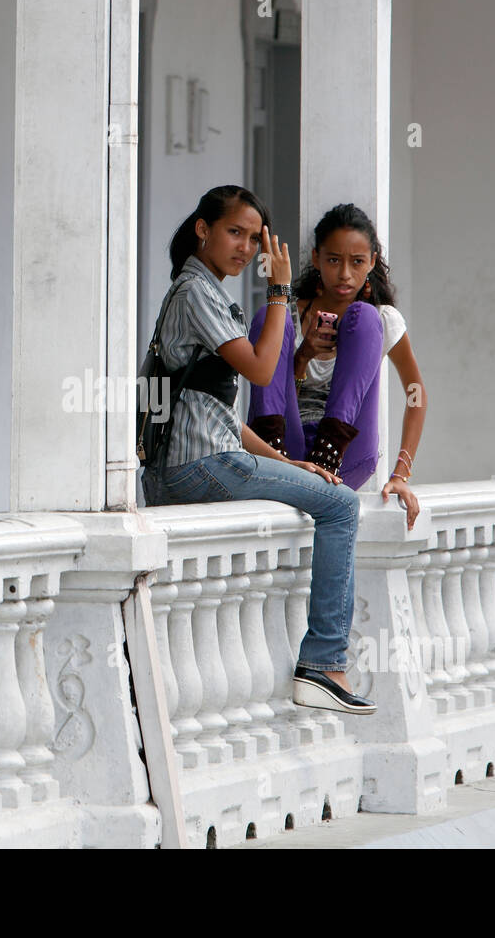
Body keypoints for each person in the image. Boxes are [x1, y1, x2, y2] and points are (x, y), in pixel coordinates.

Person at [140, 185, 375, 715]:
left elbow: (215, 413)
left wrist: (289, 463)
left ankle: (323, 664)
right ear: (203, 229)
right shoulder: (195, 292)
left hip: (194, 461)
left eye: (253, 237)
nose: (245, 247)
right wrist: (279, 293)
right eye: (233, 232)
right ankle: (323, 663)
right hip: (197, 468)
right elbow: (264, 369)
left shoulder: (202, 292)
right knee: (341, 505)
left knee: (326, 491)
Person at [246, 204, 425, 530]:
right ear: (316, 259)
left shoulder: (384, 319)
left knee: (368, 318)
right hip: (289, 453)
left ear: (371, 262)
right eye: (333, 260)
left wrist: (401, 474)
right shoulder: (292, 316)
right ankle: (273, 460)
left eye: (357, 262)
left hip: (345, 455)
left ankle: (323, 460)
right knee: (271, 317)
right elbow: (280, 392)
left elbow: (416, 394)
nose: (345, 274)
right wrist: (303, 357)